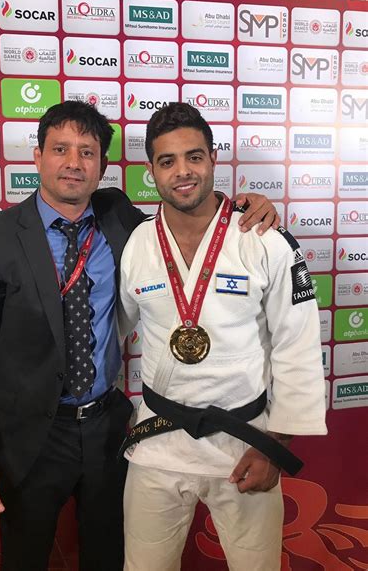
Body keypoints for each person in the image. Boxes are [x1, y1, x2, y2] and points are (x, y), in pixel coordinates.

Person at [0, 100, 280, 571]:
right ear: (37, 157)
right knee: (25, 559)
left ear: (102, 165)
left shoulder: (119, 217)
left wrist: (242, 205)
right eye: (60, 149)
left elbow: (186, 213)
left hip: (107, 431)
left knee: (109, 557)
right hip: (28, 438)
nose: (73, 163)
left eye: (87, 152)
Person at [118, 103, 327, 571]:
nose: (183, 171)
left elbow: (297, 346)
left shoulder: (263, 238)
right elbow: (113, 332)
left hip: (245, 442)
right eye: (167, 161)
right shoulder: (138, 243)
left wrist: (276, 447)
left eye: (194, 156)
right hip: (157, 442)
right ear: (151, 170)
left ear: (213, 158)